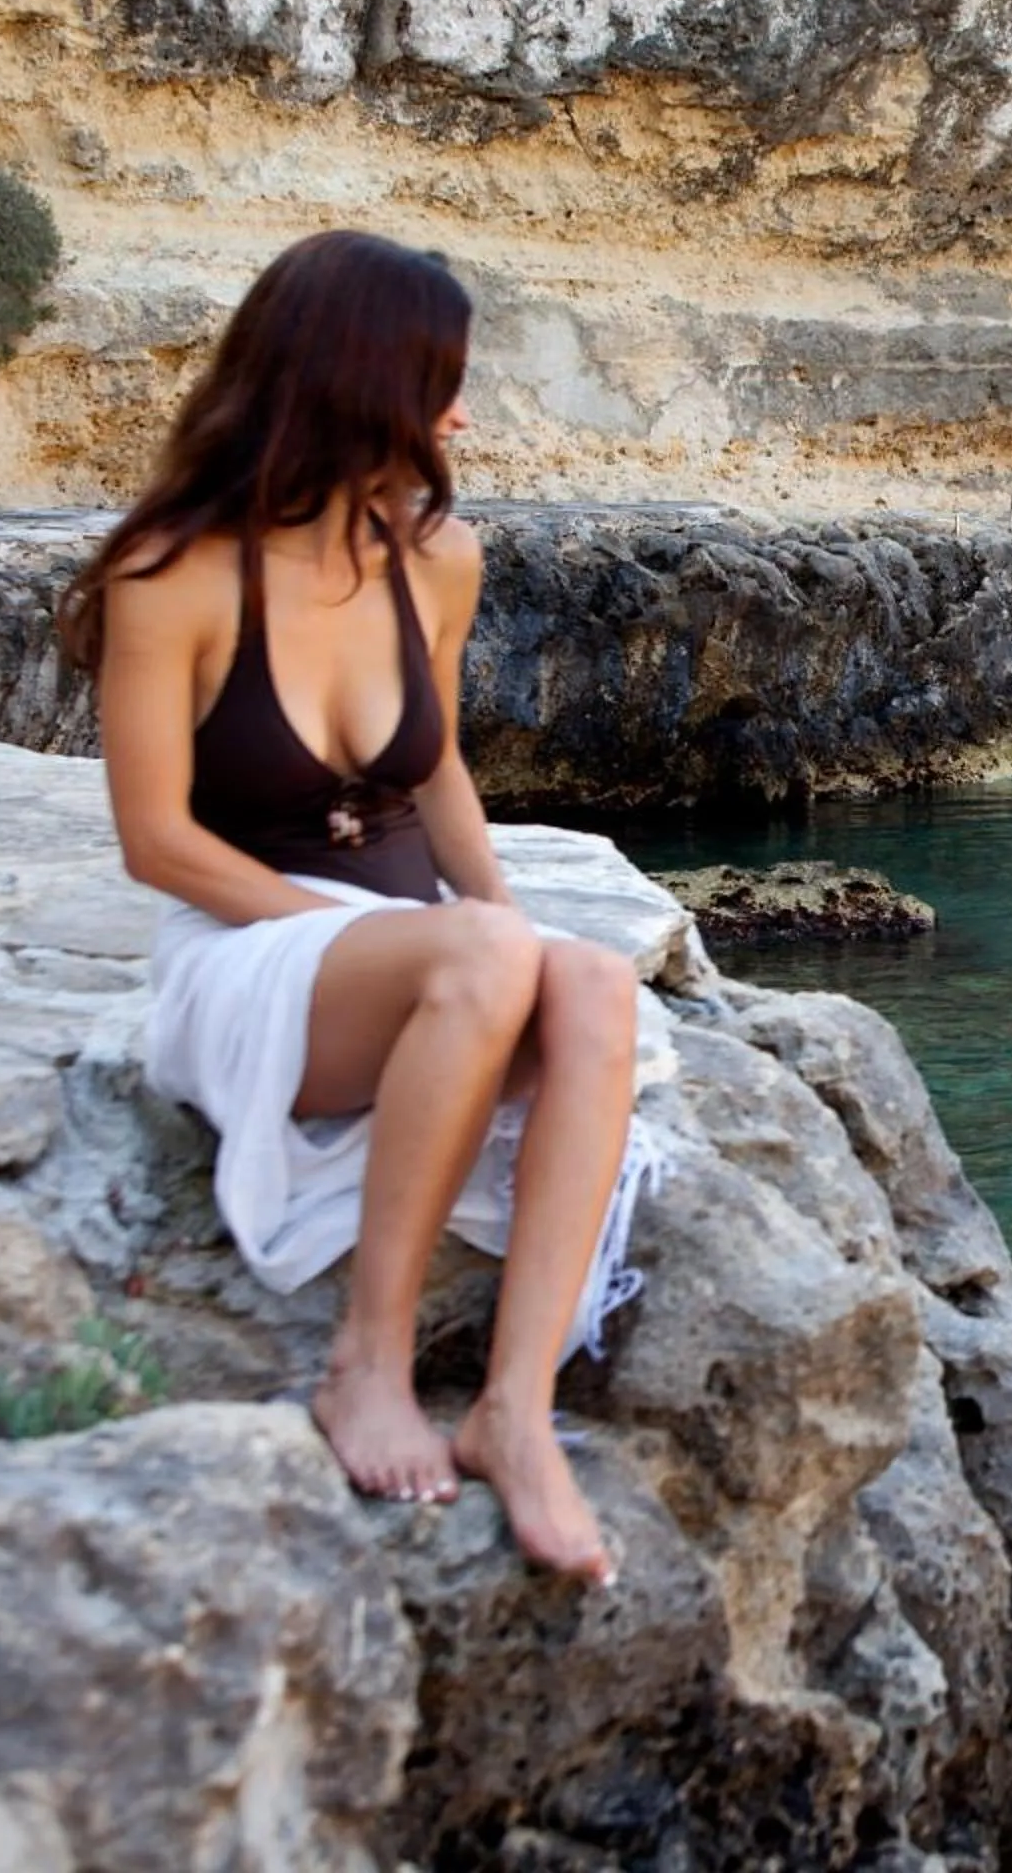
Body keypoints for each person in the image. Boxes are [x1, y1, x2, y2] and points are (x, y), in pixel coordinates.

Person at [58, 230, 659, 1586]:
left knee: (597, 987)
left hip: (425, 955)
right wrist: (368, 939)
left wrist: (515, 936)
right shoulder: (177, 574)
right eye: (442, 378)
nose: (463, 413)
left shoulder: (437, 561)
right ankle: (367, 1367)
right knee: (492, 962)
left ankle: (516, 1413)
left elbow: (436, 763)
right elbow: (156, 842)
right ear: (358, 384)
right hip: (248, 957)